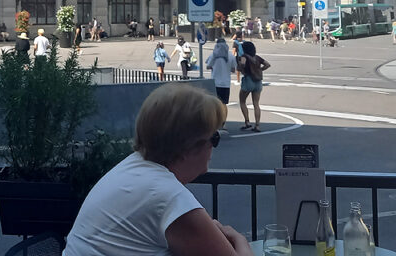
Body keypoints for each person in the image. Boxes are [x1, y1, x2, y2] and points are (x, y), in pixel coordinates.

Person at [63, 83, 253, 256]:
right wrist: (239, 239)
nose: (213, 147)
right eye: (214, 138)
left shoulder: (133, 167)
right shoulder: (168, 197)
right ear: (187, 147)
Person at [237, 41, 270, 132]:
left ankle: (247, 122)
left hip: (249, 80)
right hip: (258, 81)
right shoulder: (257, 57)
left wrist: (240, 67)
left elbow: (242, 64)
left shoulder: (244, 56)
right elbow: (267, 64)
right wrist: (259, 70)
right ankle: (257, 125)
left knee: (242, 101)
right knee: (256, 104)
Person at [206, 38, 235, 106]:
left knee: (215, 104)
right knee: (224, 104)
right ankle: (223, 116)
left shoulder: (213, 55)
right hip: (226, 83)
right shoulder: (231, 56)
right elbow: (233, 69)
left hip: (215, 83)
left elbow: (208, 66)